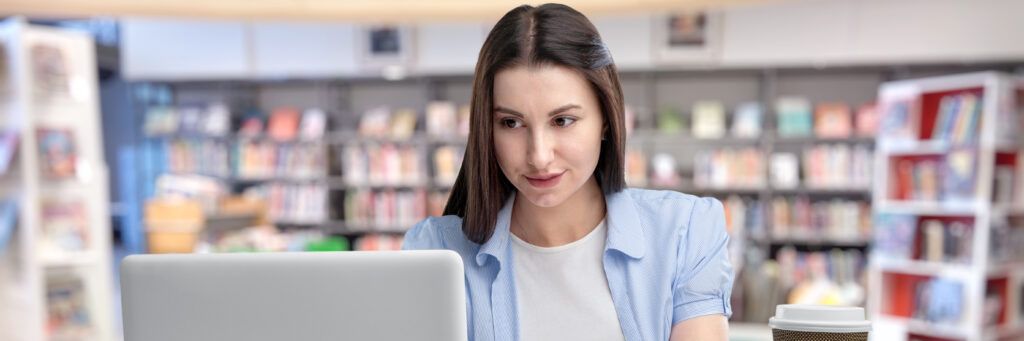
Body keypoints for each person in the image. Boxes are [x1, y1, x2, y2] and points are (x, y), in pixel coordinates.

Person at [403, 4, 733, 340]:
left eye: (563, 121)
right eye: (511, 123)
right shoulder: (436, 250)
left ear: (606, 118)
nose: (539, 156)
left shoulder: (684, 232)